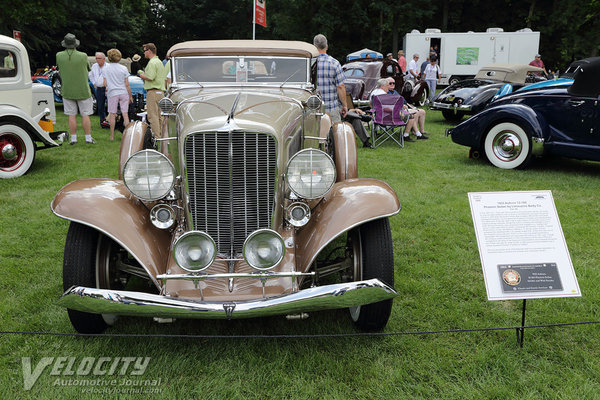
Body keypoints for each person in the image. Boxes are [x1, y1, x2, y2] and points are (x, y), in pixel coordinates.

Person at [56, 33, 96, 145]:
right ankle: (88, 138)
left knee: (71, 115)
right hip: (83, 90)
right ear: (75, 43)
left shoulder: (59, 55)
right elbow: (88, 69)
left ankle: (73, 139)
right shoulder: (83, 56)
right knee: (85, 114)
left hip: (67, 90)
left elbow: (58, 67)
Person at [313, 34, 347, 123]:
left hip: (313, 109)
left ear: (314, 47)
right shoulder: (334, 63)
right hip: (331, 109)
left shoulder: (309, 64)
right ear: (326, 47)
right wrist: (345, 105)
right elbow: (340, 87)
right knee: (335, 134)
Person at [103, 48, 132, 141]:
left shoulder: (105, 68)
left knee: (112, 114)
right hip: (123, 92)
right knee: (125, 114)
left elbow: (104, 84)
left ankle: (112, 136)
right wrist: (130, 96)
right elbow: (127, 84)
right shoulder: (123, 68)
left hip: (112, 93)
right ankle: (127, 136)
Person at [139, 43, 166, 138]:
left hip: (153, 92)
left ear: (149, 51)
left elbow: (150, 77)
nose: (144, 53)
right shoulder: (159, 62)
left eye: (144, 51)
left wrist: (141, 74)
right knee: (160, 116)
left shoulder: (152, 63)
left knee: (152, 116)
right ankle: (162, 136)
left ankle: (157, 137)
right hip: (160, 92)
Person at [89, 52, 108, 128]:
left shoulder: (108, 67)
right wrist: (94, 83)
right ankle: (102, 122)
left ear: (103, 59)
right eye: (96, 58)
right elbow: (90, 75)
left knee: (110, 107)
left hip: (107, 89)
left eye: (99, 58)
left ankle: (110, 121)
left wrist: (108, 86)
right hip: (99, 89)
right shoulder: (94, 66)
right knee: (100, 106)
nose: (97, 60)